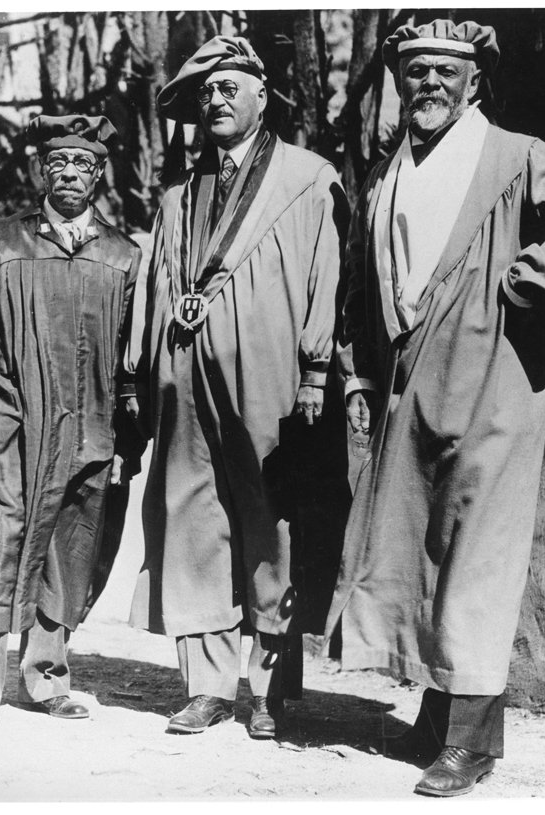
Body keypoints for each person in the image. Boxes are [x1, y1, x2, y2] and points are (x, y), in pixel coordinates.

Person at [327, 19, 545, 796]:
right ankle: (438, 713)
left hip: (494, 383)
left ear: (473, 82)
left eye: (444, 72)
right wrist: (362, 378)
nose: (428, 83)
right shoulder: (387, 173)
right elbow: (366, 285)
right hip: (412, 383)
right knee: (424, 551)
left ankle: (474, 740)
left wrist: (525, 280)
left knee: (477, 557)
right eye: (415, 70)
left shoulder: (515, 155)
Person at [124, 36, 350, 739]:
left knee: (270, 517)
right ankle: (208, 685)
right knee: (192, 517)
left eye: (228, 88)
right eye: (204, 94)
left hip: (271, 369)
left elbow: (328, 279)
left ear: (261, 95)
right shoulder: (178, 196)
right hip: (186, 373)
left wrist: (316, 369)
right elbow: (154, 285)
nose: (215, 101)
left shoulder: (309, 178)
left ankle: (268, 687)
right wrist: (144, 369)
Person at [0, 114, 143, 736]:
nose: (71, 175)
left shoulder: (122, 254)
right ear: (42, 172)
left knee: (70, 550)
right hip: (11, 427)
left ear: (99, 174)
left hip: (90, 434)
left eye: (83, 165)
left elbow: (131, 364)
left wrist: (125, 445)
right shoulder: (5, 241)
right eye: (59, 164)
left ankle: (48, 676)